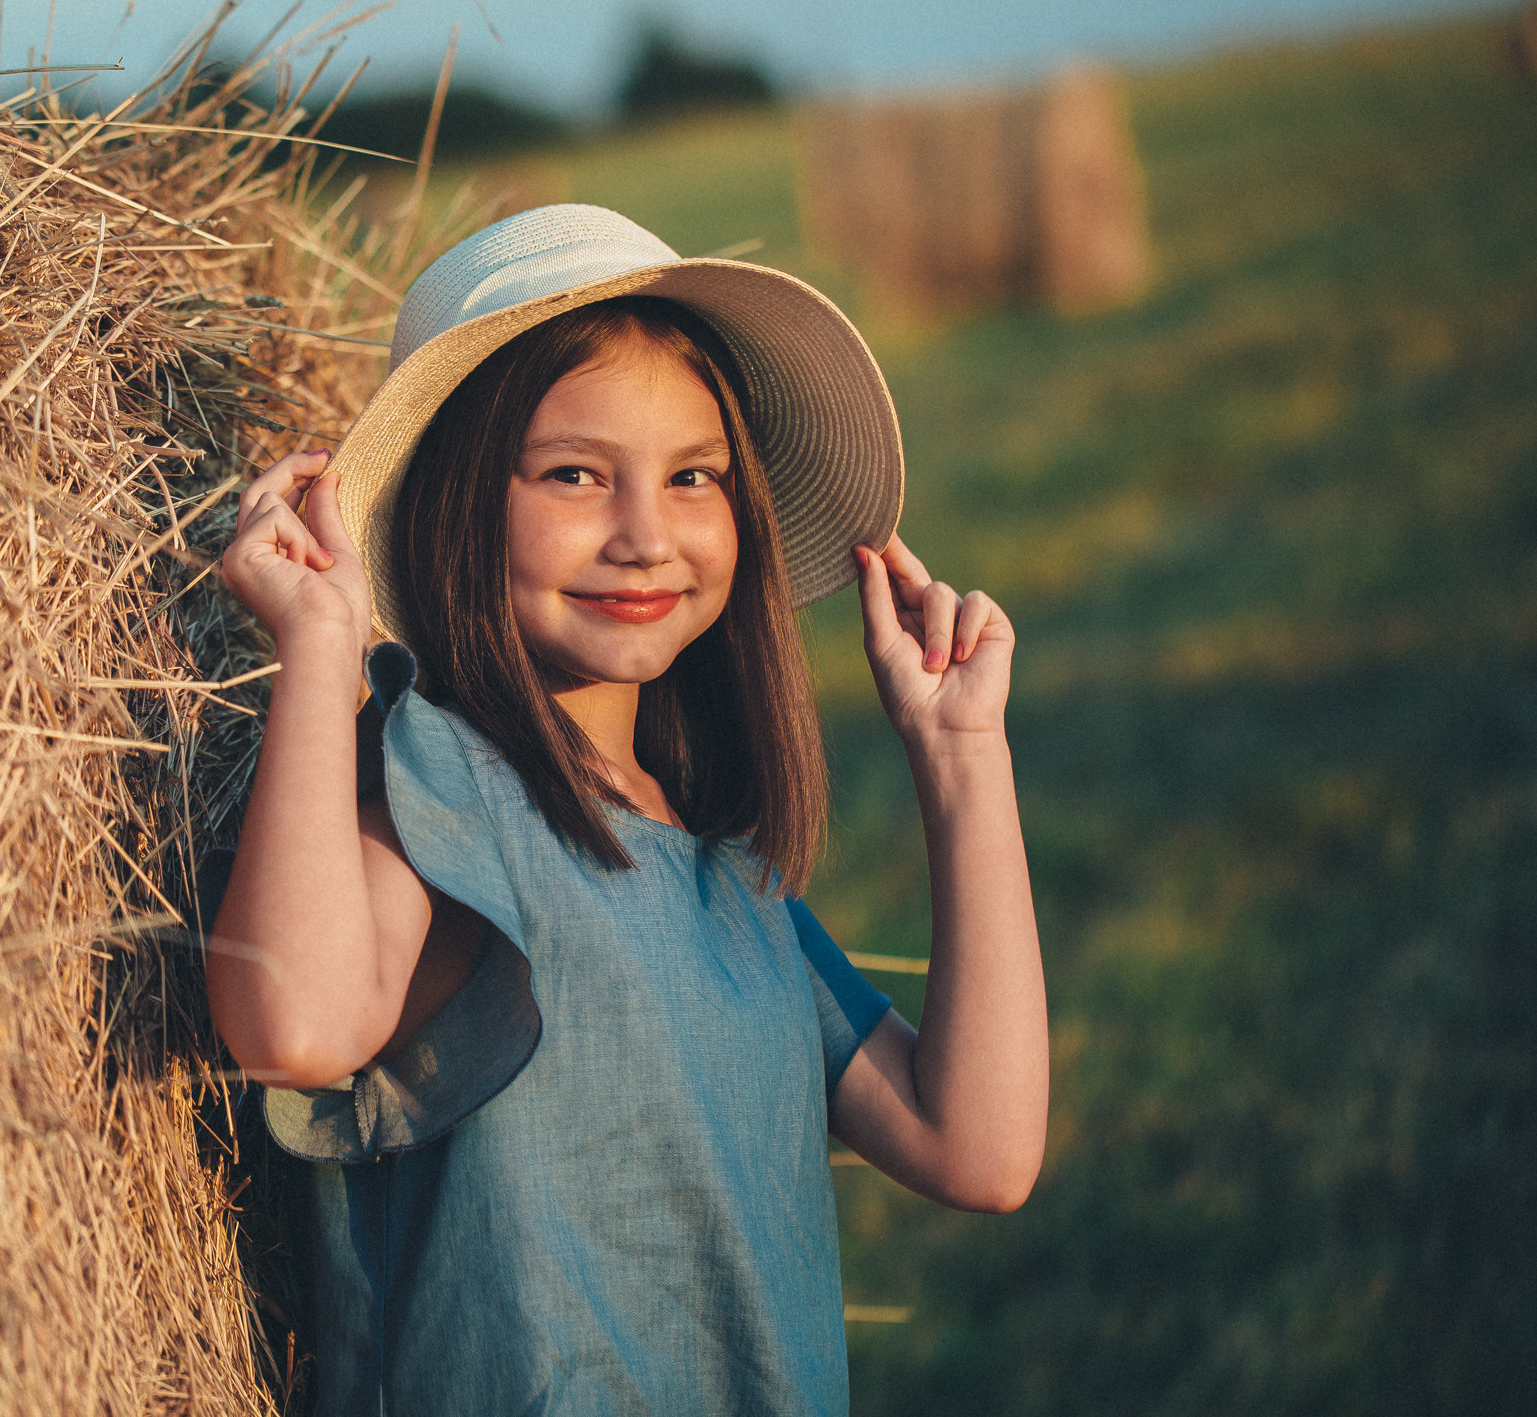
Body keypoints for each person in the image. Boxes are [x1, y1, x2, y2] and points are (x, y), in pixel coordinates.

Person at [207, 205, 1047, 1415]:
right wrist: (322, 655)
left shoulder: (728, 879)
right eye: (574, 475)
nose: (647, 536)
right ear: (453, 502)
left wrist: (965, 763)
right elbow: (291, 1025)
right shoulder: (445, 794)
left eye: (692, 477)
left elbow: (980, 1146)